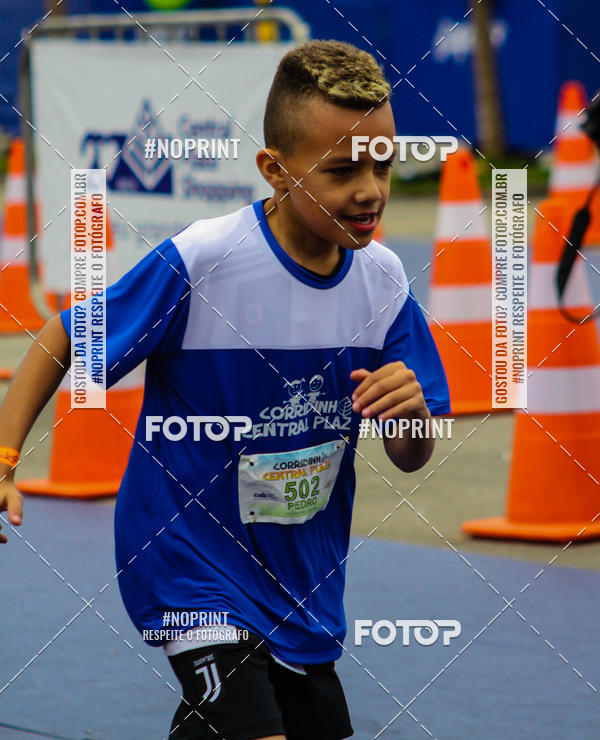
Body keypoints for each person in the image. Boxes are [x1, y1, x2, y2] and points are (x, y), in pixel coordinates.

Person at [0, 40, 450, 739]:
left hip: (302, 582)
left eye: (384, 163)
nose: (369, 189)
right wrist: (4, 458)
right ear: (274, 169)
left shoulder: (384, 282)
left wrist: (413, 415)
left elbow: (412, 455)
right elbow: (62, 338)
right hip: (187, 565)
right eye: (341, 170)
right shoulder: (206, 261)